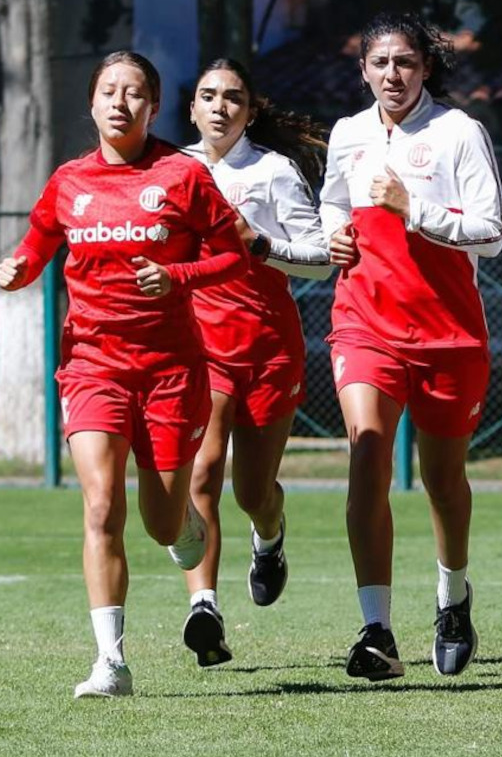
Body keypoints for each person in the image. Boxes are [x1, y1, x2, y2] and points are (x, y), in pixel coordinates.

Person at [0, 51, 249, 697]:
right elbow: (36, 246)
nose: (120, 102)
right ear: (91, 104)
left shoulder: (181, 175)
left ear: (154, 106)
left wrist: (177, 276)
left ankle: (186, 523)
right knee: (101, 504)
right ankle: (111, 660)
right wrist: (18, 270)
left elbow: (231, 256)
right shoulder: (68, 182)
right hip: (92, 367)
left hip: (169, 371)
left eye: (134, 92)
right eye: (109, 91)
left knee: (162, 524)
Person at [319, 12, 502, 680]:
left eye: (405, 63)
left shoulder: (458, 132)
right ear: (363, 70)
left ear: (425, 68)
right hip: (364, 324)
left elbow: (491, 232)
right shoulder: (347, 135)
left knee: (442, 481)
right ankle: (377, 632)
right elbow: (333, 205)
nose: (392, 74)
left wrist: (412, 209)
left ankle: (453, 599)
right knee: (366, 456)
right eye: (380, 63)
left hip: (447, 335)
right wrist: (335, 232)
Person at [178, 58, 333, 667]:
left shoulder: (272, 172)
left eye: (233, 98)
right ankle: (205, 609)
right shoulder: (174, 170)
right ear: (191, 108)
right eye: (208, 96)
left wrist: (261, 246)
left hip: (268, 347)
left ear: (250, 110)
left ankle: (269, 535)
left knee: (252, 490)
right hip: (200, 346)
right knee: (203, 471)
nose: (219, 106)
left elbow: (321, 258)